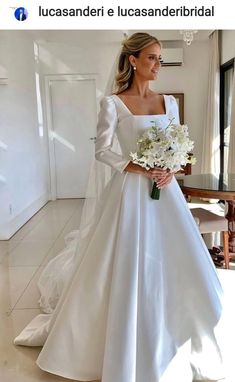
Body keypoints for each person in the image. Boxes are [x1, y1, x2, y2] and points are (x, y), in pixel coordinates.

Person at [14, 33, 226, 382]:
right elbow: (102, 149)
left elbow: (178, 146)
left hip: (164, 190)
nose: (158, 65)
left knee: (176, 257)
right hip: (129, 191)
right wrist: (139, 166)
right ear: (133, 60)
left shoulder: (168, 102)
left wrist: (169, 168)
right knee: (120, 259)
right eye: (152, 58)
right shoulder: (113, 103)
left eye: (160, 58)